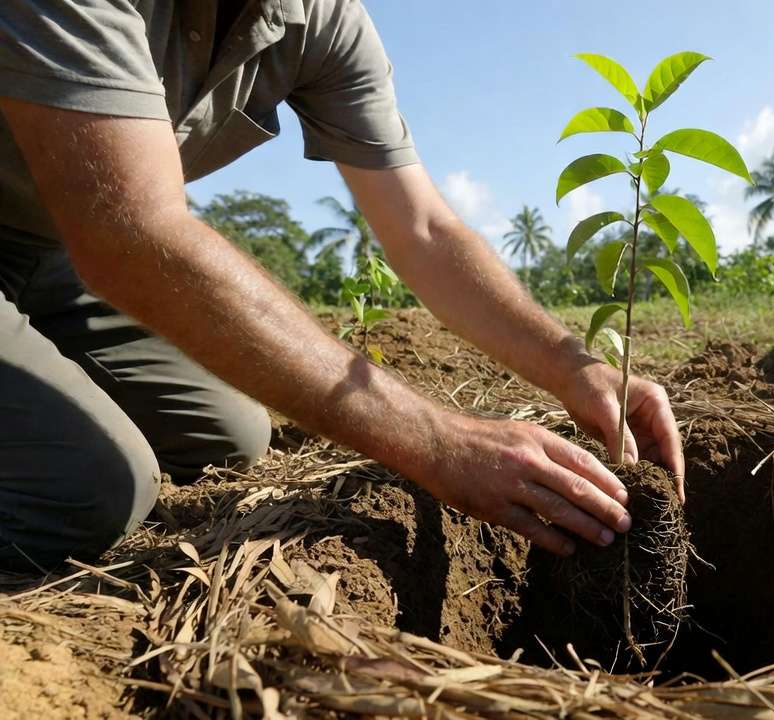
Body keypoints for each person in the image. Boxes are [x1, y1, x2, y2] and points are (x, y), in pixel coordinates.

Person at [0, 0, 684, 572]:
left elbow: (423, 229)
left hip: (51, 253)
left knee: (226, 439)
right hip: (89, 240)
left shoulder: (319, 17)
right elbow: (132, 236)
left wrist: (573, 367)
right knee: (86, 489)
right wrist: (438, 442)